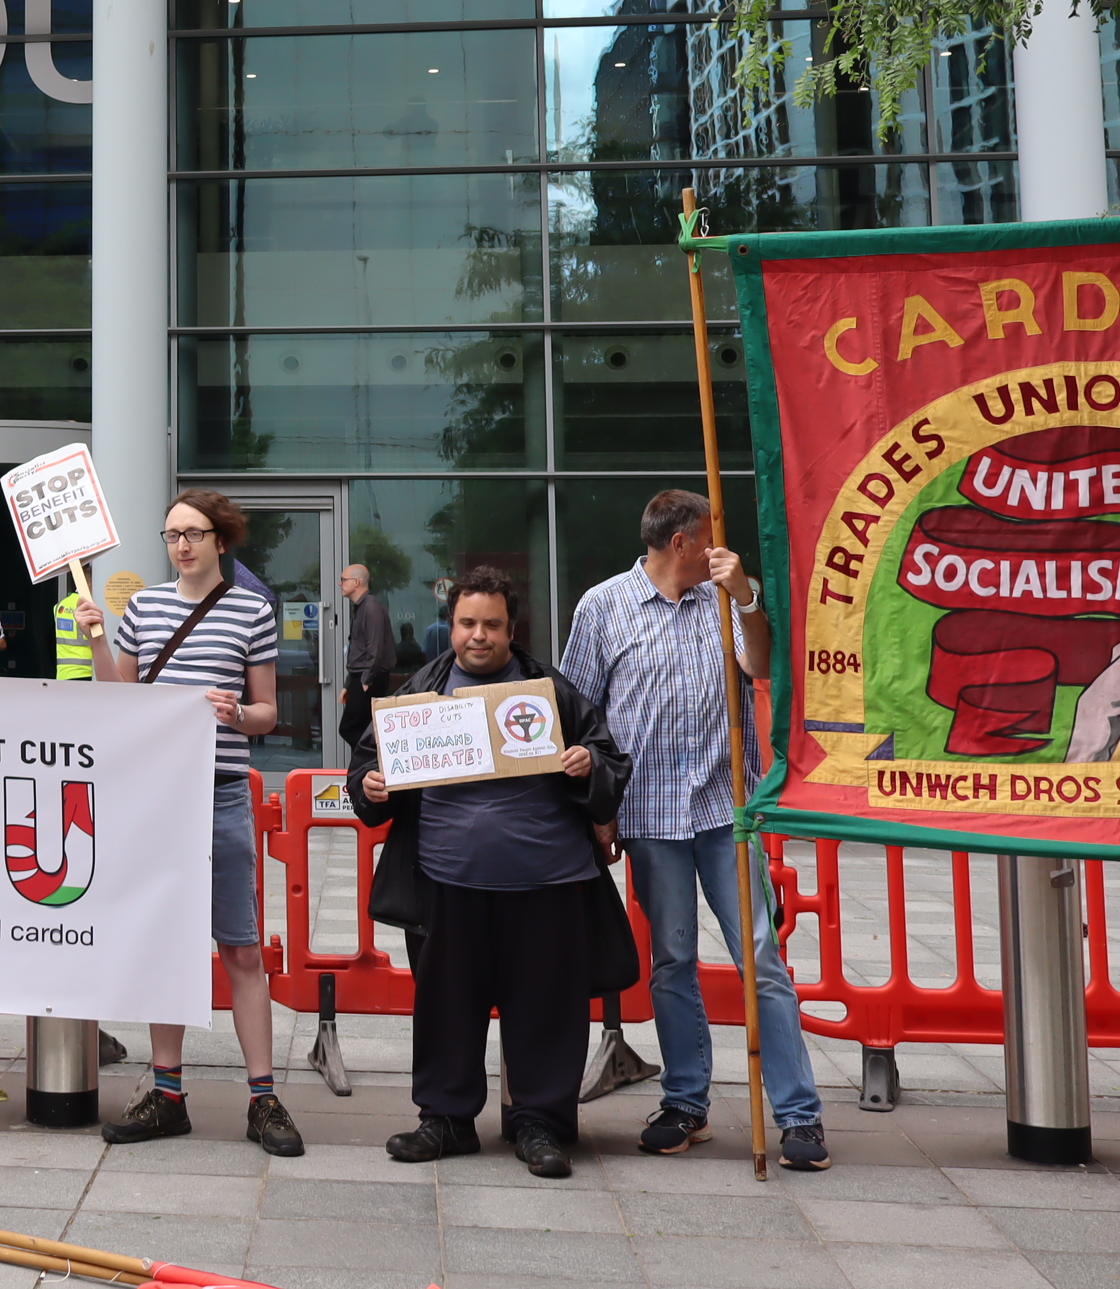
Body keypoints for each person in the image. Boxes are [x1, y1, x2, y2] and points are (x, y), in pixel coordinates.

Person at [558, 488, 831, 1172]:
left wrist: (744, 596)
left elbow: (761, 666)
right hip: (650, 817)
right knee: (672, 962)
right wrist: (596, 809)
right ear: (680, 541)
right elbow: (576, 708)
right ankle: (686, 1102)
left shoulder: (730, 596)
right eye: (711, 534)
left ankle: (798, 1114)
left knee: (761, 961)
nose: (720, 544)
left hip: (724, 814)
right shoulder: (603, 606)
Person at [349, 569, 633, 1179]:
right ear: (450, 626)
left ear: (512, 629)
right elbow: (368, 772)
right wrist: (369, 787)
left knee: (547, 1009)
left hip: (549, 884)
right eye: (468, 623)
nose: (480, 636)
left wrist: (589, 765)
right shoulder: (417, 695)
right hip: (445, 884)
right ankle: (446, 1120)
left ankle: (541, 1123)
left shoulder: (551, 691)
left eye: (492, 625)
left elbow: (611, 758)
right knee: (446, 1006)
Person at [71, 488, 305, 1158]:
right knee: (166, 948)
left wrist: (237, 714)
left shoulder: (252, 610)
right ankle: (168, 1094)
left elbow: (268, 713)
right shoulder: (142, 607)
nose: (182, 544)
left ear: (220, 540)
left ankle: (263, 1097)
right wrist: (94, 641)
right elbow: (122, 703)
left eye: (194, 533)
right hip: (160, 796)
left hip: (224, 790)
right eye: (172, 533)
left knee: (241, 947)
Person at [335, 563, 397, 757]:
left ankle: (374, 762)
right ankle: (366, 769)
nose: (340, 584)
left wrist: (366, 679)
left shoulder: (370, 607)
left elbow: (375, 646)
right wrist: (349, 683)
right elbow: (358, 648)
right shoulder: (363, 607)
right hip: (361, 676)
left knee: (350, 728)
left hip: (369, 677)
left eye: (344, 580)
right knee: (359, 728)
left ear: (357, 582)